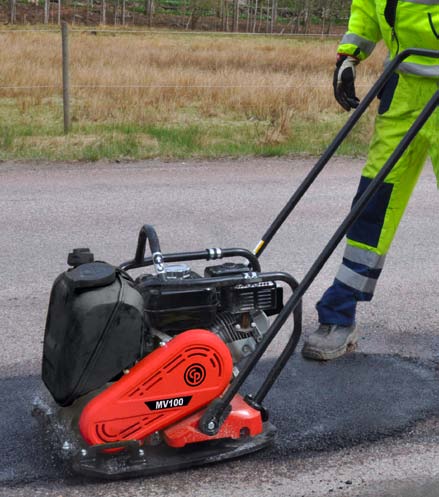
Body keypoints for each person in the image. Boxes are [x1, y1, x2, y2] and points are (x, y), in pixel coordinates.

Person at [301, 0, 439, 361]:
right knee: (371, 205)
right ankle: (339, 315)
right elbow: (366, 9)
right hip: (403, 89)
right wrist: (349, 57)